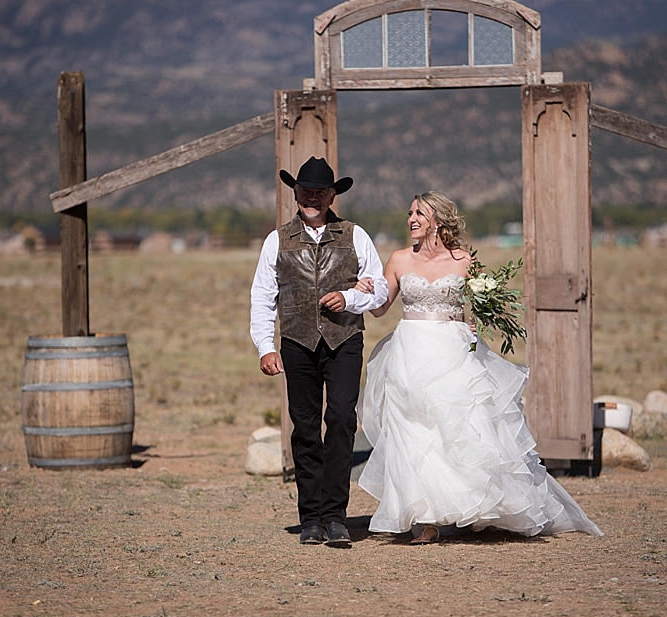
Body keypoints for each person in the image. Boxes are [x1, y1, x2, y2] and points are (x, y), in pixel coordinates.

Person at [353, 191, 602, 544]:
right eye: (409, 213)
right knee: (414, 434)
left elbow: (481, 305)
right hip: (410, 351)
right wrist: (365, 289)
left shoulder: (464, 261)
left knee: (462, 428)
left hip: (452, 350)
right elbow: (380, 308)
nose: (411, 219)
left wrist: (471, 323)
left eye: (419, 214)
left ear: (437, 221)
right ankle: (424, 520)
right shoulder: (397, 259)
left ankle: (475, 509)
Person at [250, 156, 388, 547]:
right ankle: (311, 518)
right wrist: (265, 346)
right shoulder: (277, 240)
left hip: (344, 341)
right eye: (305, 191)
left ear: (332, 195)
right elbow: (262, 297)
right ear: (295, 194)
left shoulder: (355, 235)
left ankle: (336, 515)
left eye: (320, 192)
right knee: (305, 426)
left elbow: (379, 290)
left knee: (343, 420)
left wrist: (348, 298)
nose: (312, 198)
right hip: (296, 342)